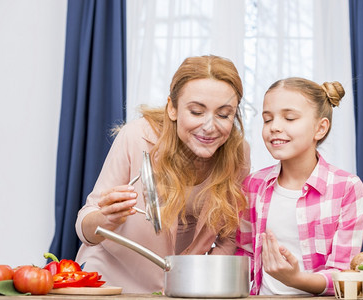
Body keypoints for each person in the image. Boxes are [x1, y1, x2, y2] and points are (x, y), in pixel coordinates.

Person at [75, 55, 250, 293]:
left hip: (179, 290)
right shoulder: (137, 137)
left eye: (223, 114)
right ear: (172, 108)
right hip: (109, 282)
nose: (210, 126)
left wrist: (199, 282)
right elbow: (85, 225)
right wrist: (104, 219)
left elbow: (229, 238)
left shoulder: (237, 155)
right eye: (197, 111)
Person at [235, 77, 363, 296]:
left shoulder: (347, 188)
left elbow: (343, 276)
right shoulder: (252, 185)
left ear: (320, 128)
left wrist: (297, 279)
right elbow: (244, 256)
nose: (274, 127)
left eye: (289, 118)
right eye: (267, 120)